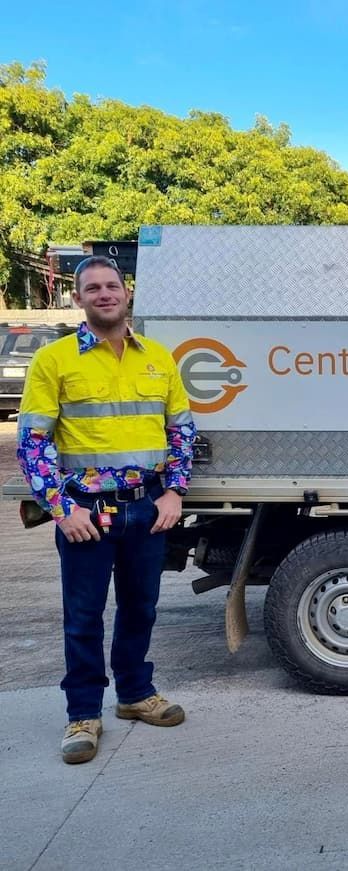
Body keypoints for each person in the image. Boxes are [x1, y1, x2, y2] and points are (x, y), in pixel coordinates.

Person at [16, 255, 196, 764]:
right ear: (78, 298)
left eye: (111, 285)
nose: (103, 294)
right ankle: (83, 715)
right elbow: (33, 443)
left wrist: (174, 492)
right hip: (86, 517)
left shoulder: (158, 358)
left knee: (141, 609)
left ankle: (136, 695)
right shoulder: (54, 360)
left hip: (146, 510)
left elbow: (182, 431)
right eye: (91, 288)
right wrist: (61, 509)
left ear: (127, 293)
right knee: (83, 617)